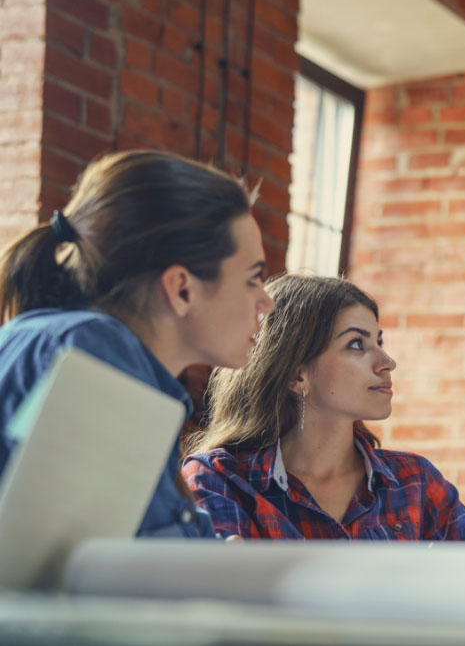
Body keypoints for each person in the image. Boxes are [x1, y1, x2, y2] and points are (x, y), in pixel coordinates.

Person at [0, 149, 273, 537]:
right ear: (181, 289)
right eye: (252, 278)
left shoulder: (79, 344)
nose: (267, 301)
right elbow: (71, 575)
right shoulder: (95, 351)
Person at [182, 274, 465, 541]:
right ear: (296, 374)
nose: (387, 362)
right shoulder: (222, 481)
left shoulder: (416, 484)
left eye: (380, 342)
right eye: (357, 344)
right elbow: (225, 602)